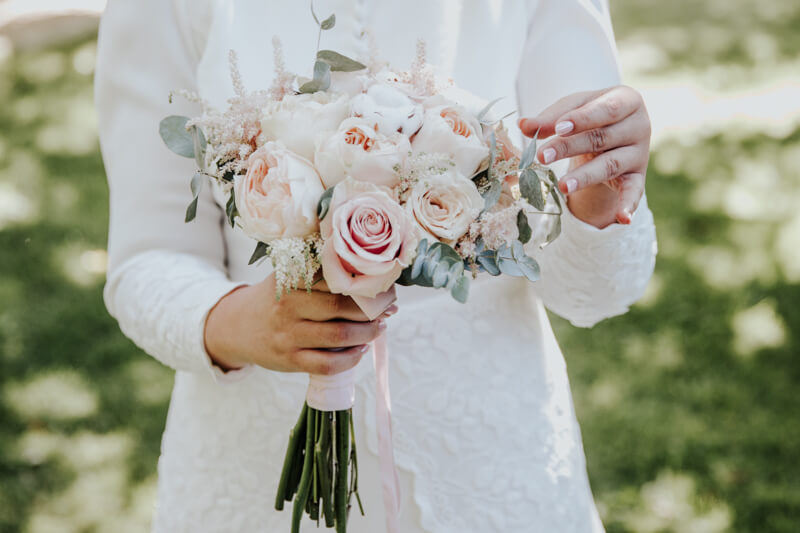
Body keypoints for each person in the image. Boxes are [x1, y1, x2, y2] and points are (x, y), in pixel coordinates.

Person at [95, 0, 657, 531]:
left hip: (493, 460)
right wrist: (246, 325)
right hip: (251, 463)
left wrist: (597, 203)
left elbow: (596, 294)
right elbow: (146, 259)